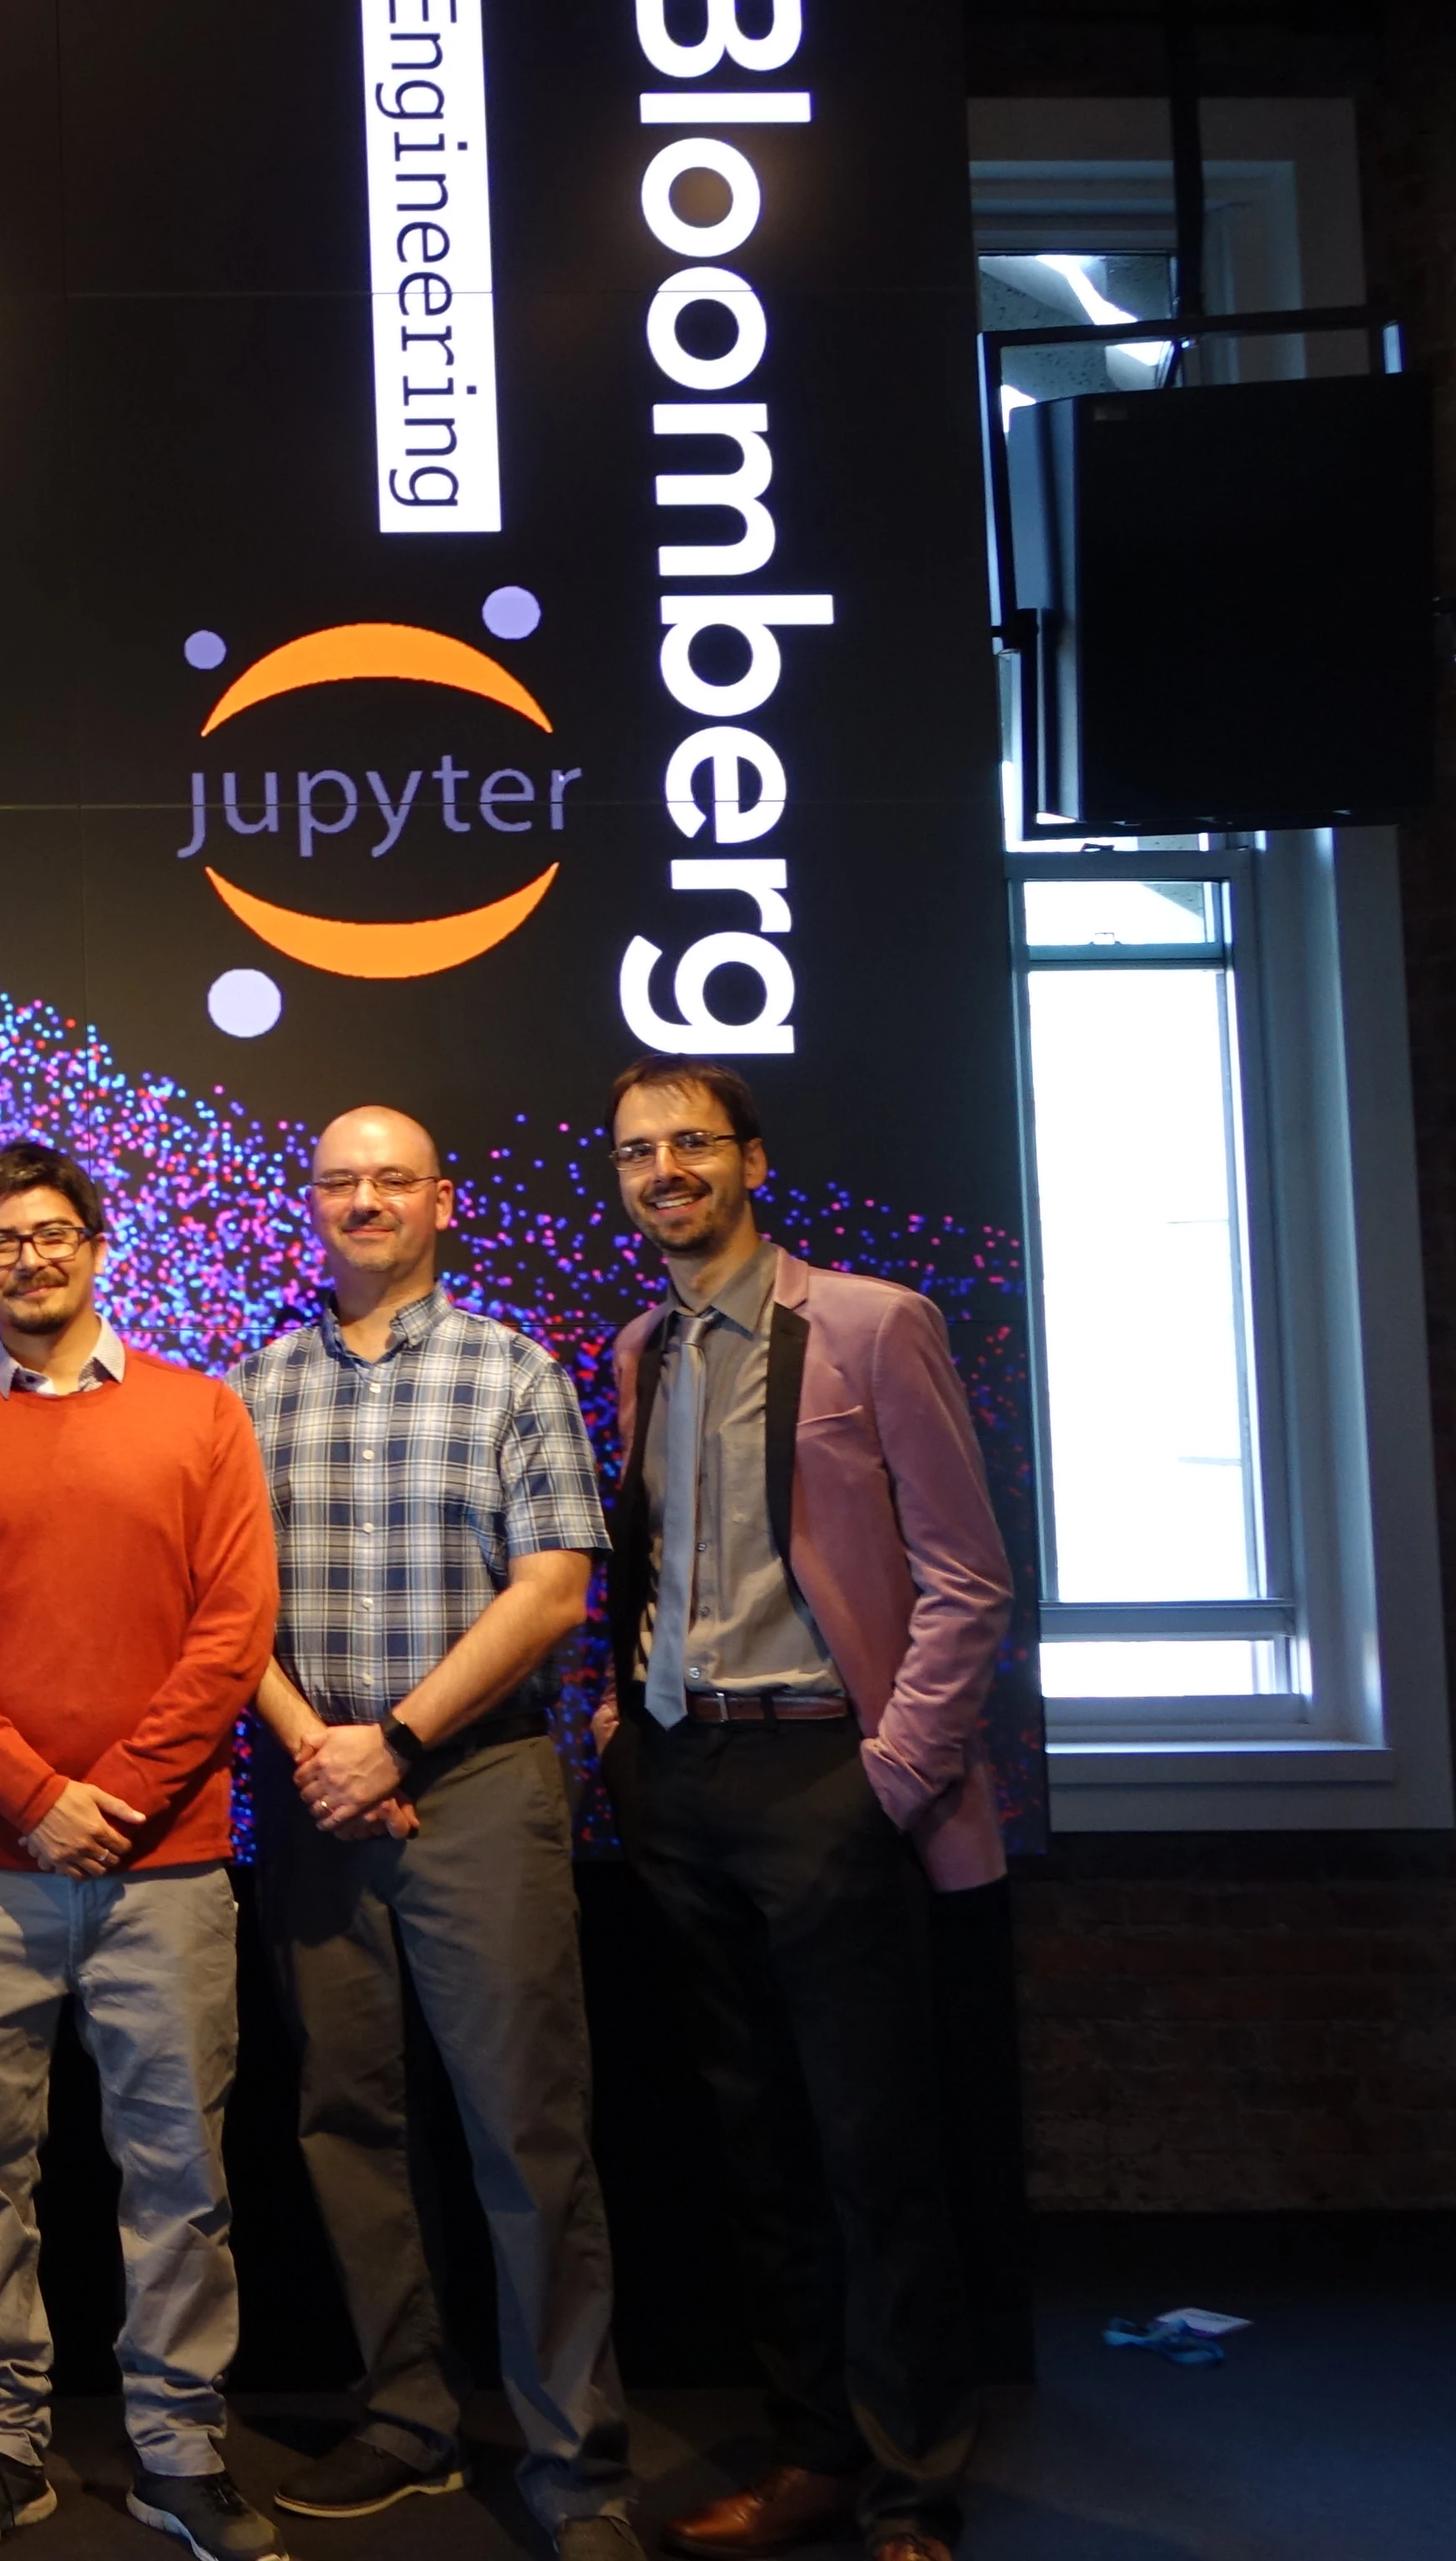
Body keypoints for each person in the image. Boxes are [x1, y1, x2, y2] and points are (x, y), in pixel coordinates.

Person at [593, 1057, 1008, 2561]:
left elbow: (968, 1574)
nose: (664, 1169)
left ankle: (913, 2489)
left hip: (830, 1770)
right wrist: (619, 1721)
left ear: (751, 1160)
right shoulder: (641, 1346)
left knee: (874, 2151)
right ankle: (817, 2455)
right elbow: (651, 1564)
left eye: (690, 1142)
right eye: (638, 1151)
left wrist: (892, 1775)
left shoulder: (871, 1325)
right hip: (683, 1778)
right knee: (757, 2151)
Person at [0, 1139, 280, 2561]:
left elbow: (235, 1629)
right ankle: (1, 2446)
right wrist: (36, 1795)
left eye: (53, 1234)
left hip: (168, 1865)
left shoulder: (200, 1416)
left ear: (99, 1246)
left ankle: (178, 2451)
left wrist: (126, 1790)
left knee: (180, 2170)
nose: (30, 1260)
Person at [229, 1106, 636, 2561]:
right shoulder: (254, 1387)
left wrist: (396, 1740)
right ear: (313, 1209)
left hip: (472, 1788)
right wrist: (322, 1753)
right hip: (310, 1793)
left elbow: (553, 1593)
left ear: (441, 1202)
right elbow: (229, 1613)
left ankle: (575, 2470)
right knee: (347, 2119)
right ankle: (402, 2416)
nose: (364, 1201)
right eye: (339, 1182)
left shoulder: (510, 1371)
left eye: (392, 1178)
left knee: (527, 2130)